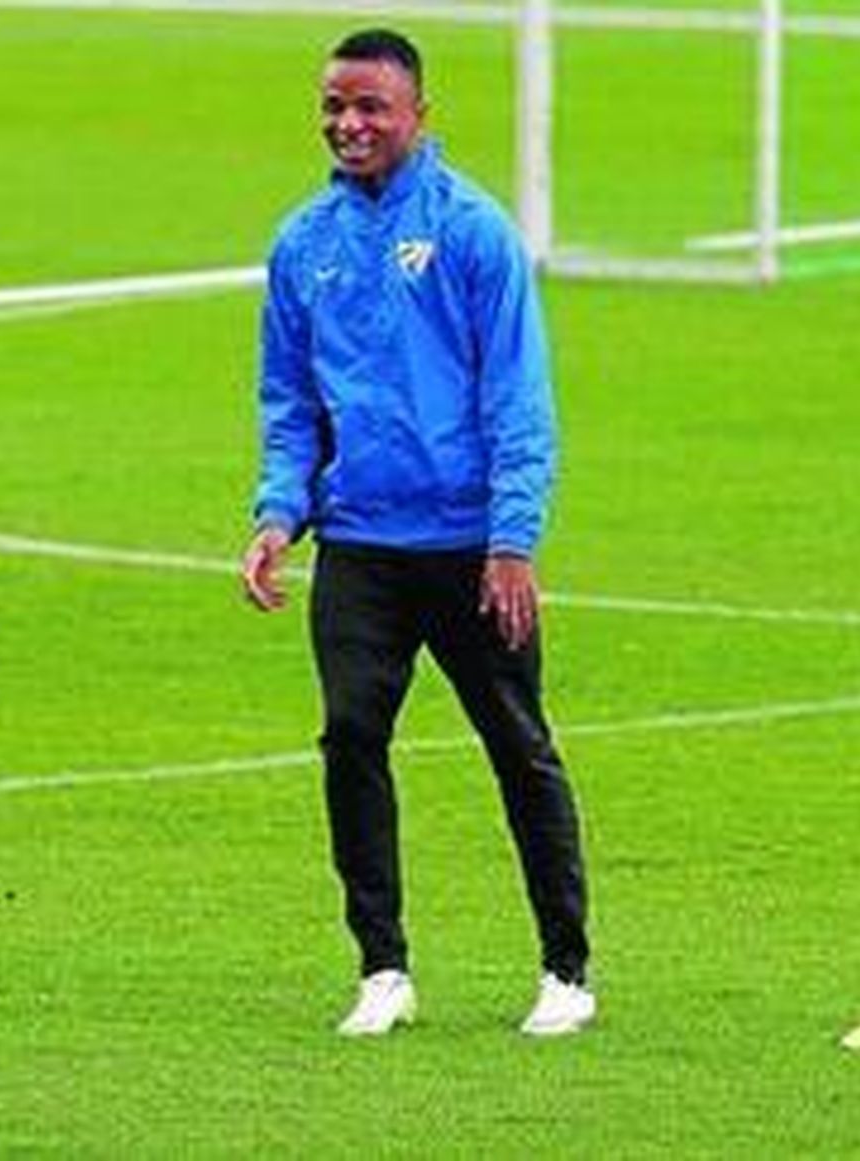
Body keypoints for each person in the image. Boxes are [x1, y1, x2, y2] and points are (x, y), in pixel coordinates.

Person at [240, 30, 594, 1038]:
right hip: (358, 543)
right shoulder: (301, 243)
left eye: (370, 108)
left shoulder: (474, 233)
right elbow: (288, 400)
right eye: (333, 106)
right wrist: (278, 511)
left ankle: (564, 969)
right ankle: (382, 966)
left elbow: (519, 398)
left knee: (516, 747)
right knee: (351, 734)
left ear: (417, 115)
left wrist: (512, 540)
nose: (348, 124)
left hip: (471, 547)